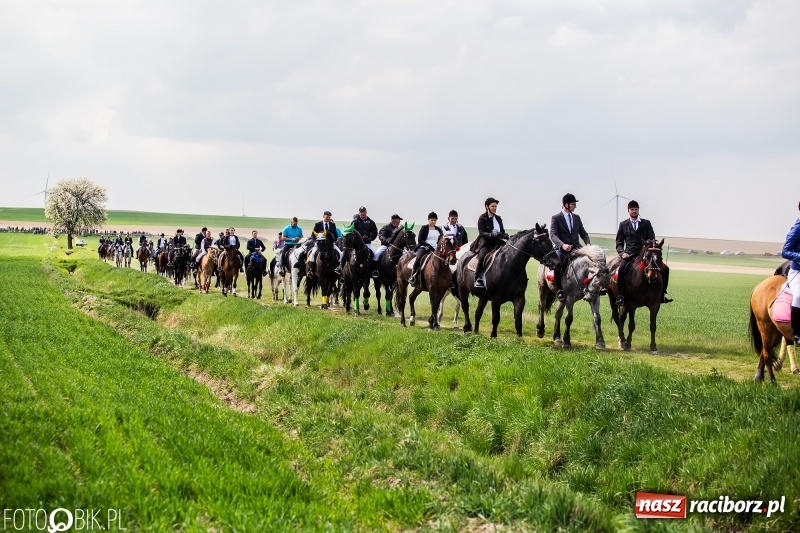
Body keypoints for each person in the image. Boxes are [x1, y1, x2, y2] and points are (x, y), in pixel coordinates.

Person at [614, 200, 672, 305]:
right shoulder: (623, 224)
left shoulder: (646, 223)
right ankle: (621, 296)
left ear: (638, 210)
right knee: (621, 269)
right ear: (628, 210)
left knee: (666, 269)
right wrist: (622, 253)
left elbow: (652, 239)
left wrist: (648, 246)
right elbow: (619, 242)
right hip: (629, 254)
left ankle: (663, 294)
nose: (634, 211)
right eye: (632, 209)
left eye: (636, 209)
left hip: (646, 255)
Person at [550, 193, 592, 301]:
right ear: (566, 205)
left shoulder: (577, 217)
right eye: (573, 204)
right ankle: (560, 290)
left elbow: (583, 233)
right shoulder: (556, 218)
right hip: (562, 249)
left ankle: (591, 288)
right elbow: (553, 235)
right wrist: (562, 245)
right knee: (558, 263)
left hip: (576, 247)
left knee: (590, 260)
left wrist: (588, 244)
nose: (575, 206)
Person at [470, 197, 508, 288]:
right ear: (487, 207)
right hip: (486, 242)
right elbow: (481, 232)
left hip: (497, 242)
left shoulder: (498, 218)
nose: (494, 208)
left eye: (495, 206)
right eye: (492, 206)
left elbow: (502, 231)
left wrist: (504, 235)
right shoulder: (482, 218)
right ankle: (477, 278)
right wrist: (491, 235)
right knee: (482, 257)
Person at [336, 206, 378, 275]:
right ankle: (340, 267)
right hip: (355, 245)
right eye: (361, 212)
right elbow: (350, 232)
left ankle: (374, 270)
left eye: (364, 212)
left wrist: (370, 238)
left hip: (367, 243)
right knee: (345, 252)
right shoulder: (355, 222)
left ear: (366, 212)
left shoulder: (371, 222)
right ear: (359, 213)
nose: (362, 213)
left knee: (375, 253)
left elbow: (375, 232)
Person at [782, 201, 800, 346]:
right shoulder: (797, 229)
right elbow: (785, 252)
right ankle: (797, 333)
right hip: (797, 270)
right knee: (798, 296)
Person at [410, 212, 443, 286]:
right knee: (418, 258)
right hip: (424, 247)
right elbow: (420, 240)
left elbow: (441, 240)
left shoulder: (439, 229)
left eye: (435, 220)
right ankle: (413, 275)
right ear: (428, 220)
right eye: (432, 220)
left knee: (444, 260)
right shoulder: (424, 228)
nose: (433, 222)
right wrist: (428, 245)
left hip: (436, 249)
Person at [307, 211, 342, 276]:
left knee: (340, 254)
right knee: (312, 254)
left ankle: (339, 269)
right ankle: (311, 270)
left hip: (330, 244)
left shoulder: (332, 224)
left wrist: (334, 241)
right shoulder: (318, 224)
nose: (328, 218)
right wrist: (315, 242)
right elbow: (312, 235)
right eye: (326, 217)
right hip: (319, 244)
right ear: (323, 216)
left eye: (329, 217)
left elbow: (335, 235)